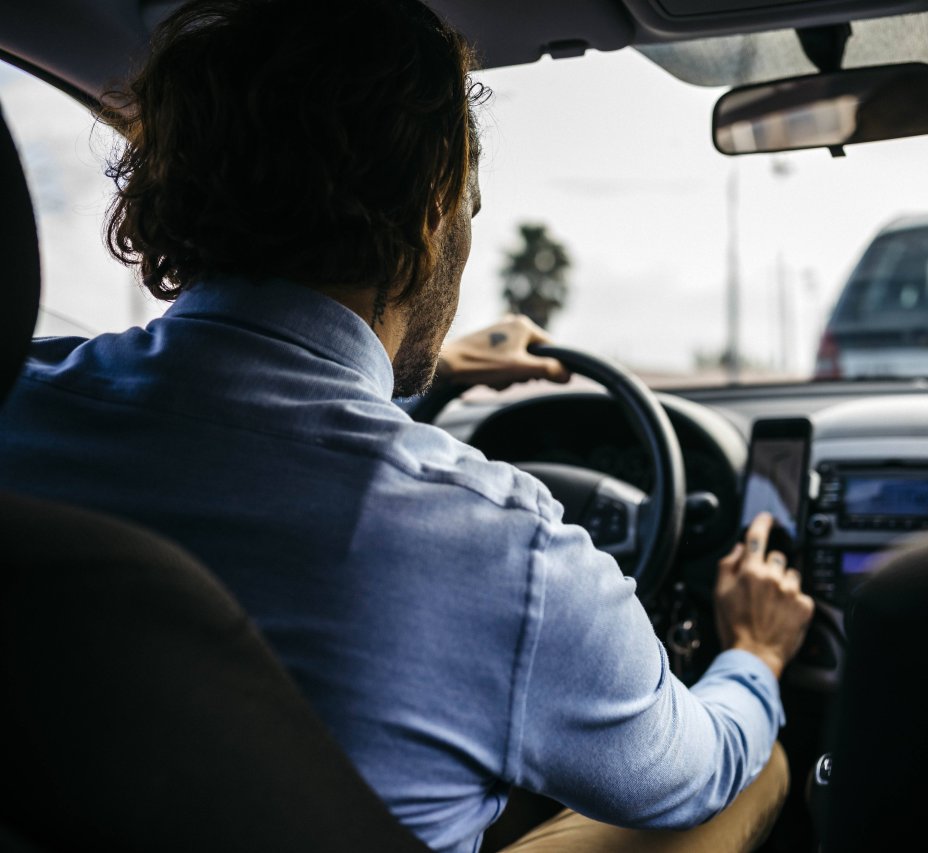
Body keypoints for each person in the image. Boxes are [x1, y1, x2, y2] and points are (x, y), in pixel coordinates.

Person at [0, 1, 815, 852]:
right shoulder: (504, 547)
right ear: (434, 210)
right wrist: (755, 652)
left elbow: (256, 429)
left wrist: (431, 371)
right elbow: (690, 769)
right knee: (751, 772)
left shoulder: (19, 405)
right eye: (469, 202)